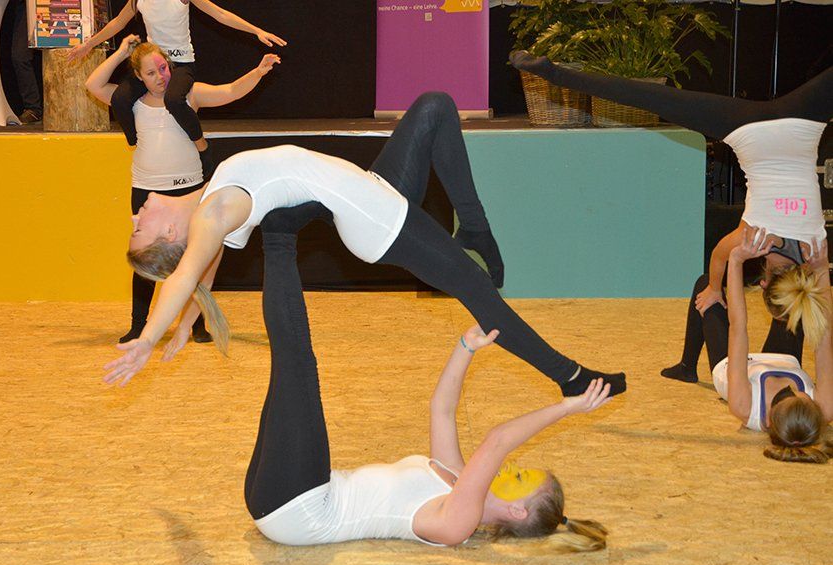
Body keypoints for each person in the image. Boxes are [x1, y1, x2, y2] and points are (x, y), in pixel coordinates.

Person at [102, 92, 627, 397]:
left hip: (376, 187)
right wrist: (148, 338)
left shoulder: (210, 204)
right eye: (138, 227)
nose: (135, 213)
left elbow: (203, 269)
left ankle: (473, 226)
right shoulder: (216, 211)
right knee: (478, 293)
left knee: (435, 107)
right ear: (168, 235)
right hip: (379, 222)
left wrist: (188, 323)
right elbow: (187, 273)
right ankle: (571, 378)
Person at [245, 210, 611, 546]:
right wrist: (465, 348)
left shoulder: (459, 523)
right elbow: (441, 409)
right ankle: (279, 228)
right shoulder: (455, 478)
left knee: (296, 361)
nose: (512, 468)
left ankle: (280, 228)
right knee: (290, 367)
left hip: (302, 508)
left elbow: (497, 441)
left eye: (519, 478)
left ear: (517, 512)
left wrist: (568, 406)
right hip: (291, 495)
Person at [511, 53, 833, 342]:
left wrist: (819, 273)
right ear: (762, 283)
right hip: (747, 131)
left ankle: (552, 72)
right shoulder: (749, 239)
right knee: (647, 97)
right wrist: (714, 289)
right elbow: (718, 257)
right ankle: (553, 73)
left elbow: (823, 300)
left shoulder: (815, 247)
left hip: (800, 122)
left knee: (648, 96)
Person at [86, 34, 280, 343]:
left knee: (197, 256)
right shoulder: (131, 102)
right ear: (138, 76)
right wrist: (122, 51)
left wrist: (258, 71)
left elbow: (230, 91)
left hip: (188, 190)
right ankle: (139, 325)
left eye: (163, 68)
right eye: (151, 73)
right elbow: (93, 85)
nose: (160, 77)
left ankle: (197, 324)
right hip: (147, 191)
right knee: (146, 258)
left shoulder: (189, 95)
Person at [662, 226, 833, 463]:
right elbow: (824, 335)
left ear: (770, 420)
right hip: (784, 360)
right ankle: (779, 261)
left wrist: (736, 260)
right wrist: (821, 268)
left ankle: (686, 367)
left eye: (786, 395)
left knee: (706, 283)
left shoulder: (745, 406)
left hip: (731, 363)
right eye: (799, 394)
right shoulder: (824, 408)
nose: (790, 389)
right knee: (797, 301)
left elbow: (738, 328)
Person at [68, 0, 286, 172]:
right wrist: (88, 44)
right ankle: (135, 141)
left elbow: (220, 14)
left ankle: (202, 146)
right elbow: (117, 22)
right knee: (120, 99)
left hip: (181, 64)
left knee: (174, 100)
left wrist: (256, 30)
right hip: (155, 62)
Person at [9, 0, 42, 123]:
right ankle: (33, 108)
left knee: (61, 53)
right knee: (20, 56)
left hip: (60, 7)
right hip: (26, 6)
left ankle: (62, 107)